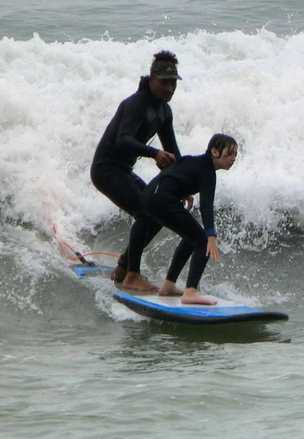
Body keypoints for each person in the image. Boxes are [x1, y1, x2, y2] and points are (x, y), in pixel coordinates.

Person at [90, 50, 191, 292]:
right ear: (151, 79)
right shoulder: (135, 104)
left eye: (173, 82)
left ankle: (124, 267)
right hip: (106, 169)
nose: (169, 88)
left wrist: (184, 184)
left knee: (158, 213)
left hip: (123, 170)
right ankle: (132, 275)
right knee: (146, 213)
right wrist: (154, 153)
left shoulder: (164, 112)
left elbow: (173, 151)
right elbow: (123, 140)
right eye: (164, 82)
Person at [126, 133, 238, 305]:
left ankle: (169, 285)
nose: (233, 159)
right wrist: (211, 235)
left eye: (235, 155)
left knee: (190, 237)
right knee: (201, 241)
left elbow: (173, 171)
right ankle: (190, 292)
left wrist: (184, 193)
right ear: (215, 152)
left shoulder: (193, 160)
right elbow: (207, 205)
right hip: (163, 200)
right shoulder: (207, 170)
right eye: (230, 154)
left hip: (149, 196)